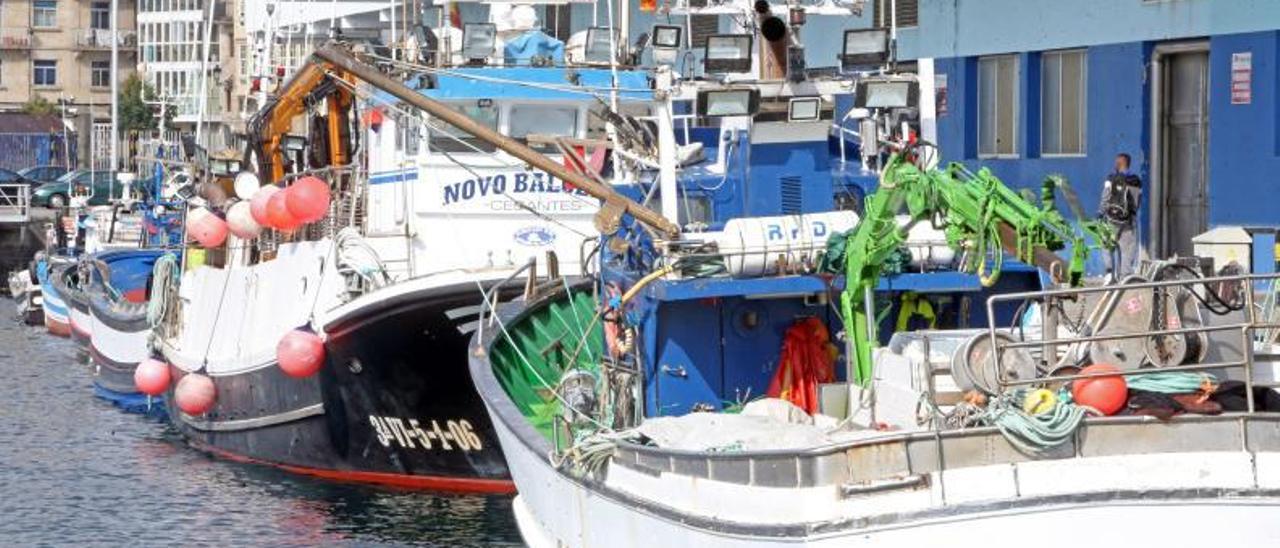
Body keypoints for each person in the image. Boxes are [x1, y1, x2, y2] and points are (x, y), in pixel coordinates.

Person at [1099, 153, 1142, 277]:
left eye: (1116, 162)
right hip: (1128, 223)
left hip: (1111, 221)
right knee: (1127, 252)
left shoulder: (1110, 179)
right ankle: (1124, 278)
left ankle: (1108, 273)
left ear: (1119, 163)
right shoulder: (1135, 181)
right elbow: (1137, 202)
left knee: (1106, 246)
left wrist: (1100, 213)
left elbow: (1105, 198)